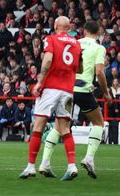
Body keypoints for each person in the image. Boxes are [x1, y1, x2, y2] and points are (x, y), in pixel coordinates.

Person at [39, 21, 113, 179]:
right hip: (83, 90)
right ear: (99, 32)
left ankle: (44, 162)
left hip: (67, 88)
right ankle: (89, 158)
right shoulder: (99, 48)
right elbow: (99, 72)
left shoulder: (75, 43)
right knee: (98, 123)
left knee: (59, 126)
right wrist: (106, 92)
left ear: (84, 30)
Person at [19, 16, 82, 181]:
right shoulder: (77, 43)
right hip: (68, 90)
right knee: (65, 129)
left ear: (55, 26)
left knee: (38, 126)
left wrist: (40, 82)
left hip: (51, 88)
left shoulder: (51, 39)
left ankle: (31, 167)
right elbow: (80, 68)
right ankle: (71, 166)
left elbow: (47, 61)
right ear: (69, 28)